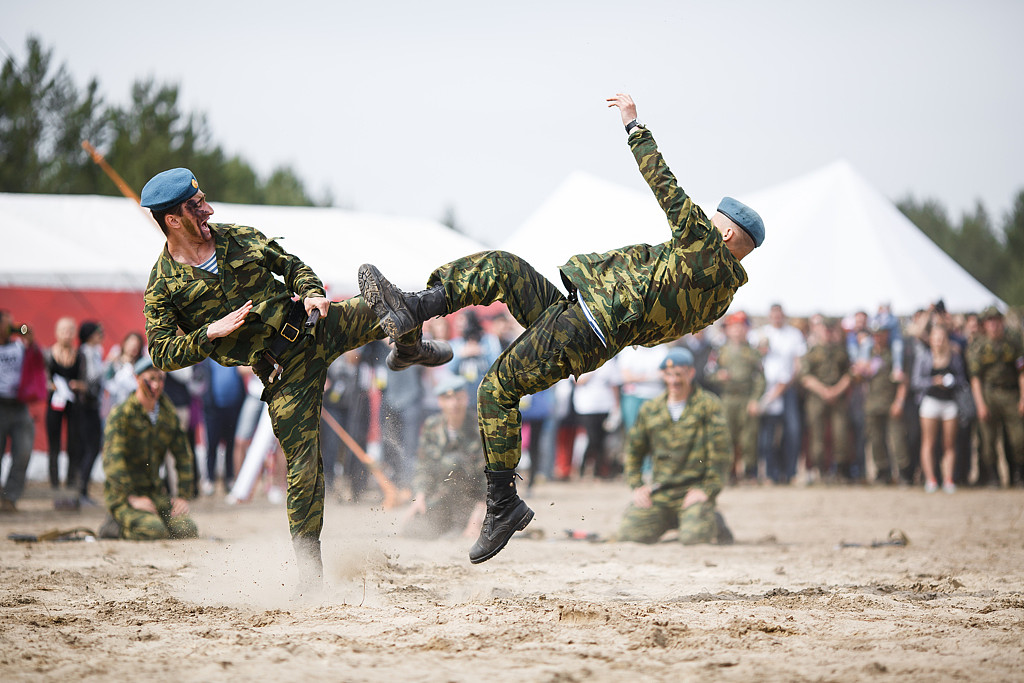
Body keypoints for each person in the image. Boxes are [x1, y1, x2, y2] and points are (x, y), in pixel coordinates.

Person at [357, 93, 763, 563]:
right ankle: (414, 307)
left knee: (495, 390)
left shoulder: (704, 248)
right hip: (583, 320)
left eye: (715, 220)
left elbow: (665, 186)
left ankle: (502, 504)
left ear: (728, 234)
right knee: (503, 267)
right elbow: (652, 330)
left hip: (585, 325)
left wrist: (634, 126)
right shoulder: (720, 296)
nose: (706, 221)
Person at [140, 167, 451, 589]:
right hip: (283, 373)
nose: (208, 210)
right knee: (304, 472)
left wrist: (311, 291)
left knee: (390, 304)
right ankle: (310, 578)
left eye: (204, 200)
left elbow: (291, 265)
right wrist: (208, 333)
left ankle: (412, 345)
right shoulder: (163, 286)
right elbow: (160, 351)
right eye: (195, 207)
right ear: (172, 220)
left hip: (314, 324)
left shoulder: (238, 237)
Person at [613, 348, 732, 545]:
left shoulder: (708, 406)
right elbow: (634, 451)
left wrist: (707, 490)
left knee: (693, 539)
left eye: (679, 374)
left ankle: (713, 521)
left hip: (694, 491)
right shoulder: (651, 409)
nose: (674, 381)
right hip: (661, 494)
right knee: (629, 534)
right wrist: (637, 486)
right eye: (668, 374)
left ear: (691, 373)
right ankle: (673, 520)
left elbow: (721, 454)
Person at [100, 357, 198, 540]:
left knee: (186, 528)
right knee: (153, 530)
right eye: (151, 378)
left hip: (153, 494)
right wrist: (130, 497)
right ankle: (114, 526)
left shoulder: (167, 413)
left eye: (161, 379)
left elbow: (183, 454)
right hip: (124, 496)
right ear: (137, 378)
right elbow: (113, 461)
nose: (157, 384)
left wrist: (183, 496)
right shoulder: (122, 414)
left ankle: (151, 521)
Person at [400, 375, 486, 539]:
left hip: (473, 503)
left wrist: (479, 515)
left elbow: (488, 479)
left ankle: (459, 525)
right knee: (412, 529)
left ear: (466, 398)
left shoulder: (480, 428)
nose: (454, 403)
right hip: (442, 498)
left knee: (452, 462)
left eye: (458, 398)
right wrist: (419, 497)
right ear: (440, 401)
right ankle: (449, 525)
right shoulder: (432, 426)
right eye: (448, 398)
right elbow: (423, 466)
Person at [967, 306, 1024, 487]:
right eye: (990, 321)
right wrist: (980, 404)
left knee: (1018, 438)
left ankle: (1018, 475)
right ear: (985, 324)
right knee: (988, 440)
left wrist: (1023, 397)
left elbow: (1022, 371)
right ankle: (994, 477)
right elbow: (975, 378)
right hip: (988, 394)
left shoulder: (1014, 341)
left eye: (997, 321)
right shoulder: (979, 346)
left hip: (1010, 393)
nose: (994, 325)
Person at [910, 323, 967, 493]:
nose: (939, 341)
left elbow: (962, 380)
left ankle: (948, 479)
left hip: (950, 403)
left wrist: (951, 382)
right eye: (936, 338)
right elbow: (916, 381)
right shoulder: (924, 357)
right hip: (930, 402)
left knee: (949, 444)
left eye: (942, 338)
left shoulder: (955, 357)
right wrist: (933, 381)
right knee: (928, 442)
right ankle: (931, 479)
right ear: (931, 340)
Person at [753, 304, 806, 484]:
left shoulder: (794, 334)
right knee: (767, 435)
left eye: (779, 315)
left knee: (792, 431)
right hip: (766, 389)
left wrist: (787, 384)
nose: (777, 318)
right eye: (773, 315)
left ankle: (790, 472)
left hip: (787, 387)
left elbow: (797, 364)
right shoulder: (761, 333)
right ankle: (771, 473)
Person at [800, 317, 853, 483]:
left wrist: (836, 391)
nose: (828, 333)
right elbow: (805, 377)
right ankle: (820, 471)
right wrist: (824, 391)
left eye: (831, 330)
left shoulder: (841, 351)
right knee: (817, 435)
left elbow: (850, 374)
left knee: (841, 433)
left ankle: (840, 471)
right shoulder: (812, 352)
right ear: (820, 330)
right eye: (826, 330)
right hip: (817, 397)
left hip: (838, 396)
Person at [713, 311, 765, 482]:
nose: (737, 331)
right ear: (727, 330)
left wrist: (755, 400)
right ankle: (730, 473)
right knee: (727, 436)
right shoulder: (720, 351)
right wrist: (718, 376)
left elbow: (760, 379)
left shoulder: (753, 353)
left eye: (740, 327)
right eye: (733, 327)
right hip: (727, 399)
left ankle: (750, 472)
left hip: (746, 398)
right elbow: (707, 373)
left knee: (748, 437)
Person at [856, 323, 908, 484]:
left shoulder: (894, 352)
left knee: (898, 439)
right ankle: (883, 472)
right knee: (876, 441)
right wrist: (861, 370)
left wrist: (899, 402)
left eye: (882, 334)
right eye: (876, 334)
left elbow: (904, 380)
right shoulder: (868, 353)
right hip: (872, 404)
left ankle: (904, 473)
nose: (878, 337)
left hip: (891, 402)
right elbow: (858, 378)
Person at [0, 312, 38, 512]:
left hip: (19, 405)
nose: (11, 329)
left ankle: (10, 497)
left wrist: (31, 342)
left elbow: (38, 363)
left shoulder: (20, 346)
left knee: (23, 451)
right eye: (6, 325)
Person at [44, 316, 83, 489]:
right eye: (63, 331)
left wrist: (78, 385)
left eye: (69, 331)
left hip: (73, 404)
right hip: (54, 403)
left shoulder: (79, 356)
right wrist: (51, 386)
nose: (66, 335)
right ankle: (53, 481)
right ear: (56, 333)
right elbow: (42, 379)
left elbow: (86, 381)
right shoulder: (48, 354)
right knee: (54, 443)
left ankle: (71, 479)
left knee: (73, 442)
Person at [74, 320, 105, 504]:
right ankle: (81, 490)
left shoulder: (96, 352)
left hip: (94, 405)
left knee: (93, 448)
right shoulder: (84, 352)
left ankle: (83, 489)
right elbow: (90, 378)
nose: (101, 335)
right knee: (89, 448)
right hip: (85, 407)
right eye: (97, 332)